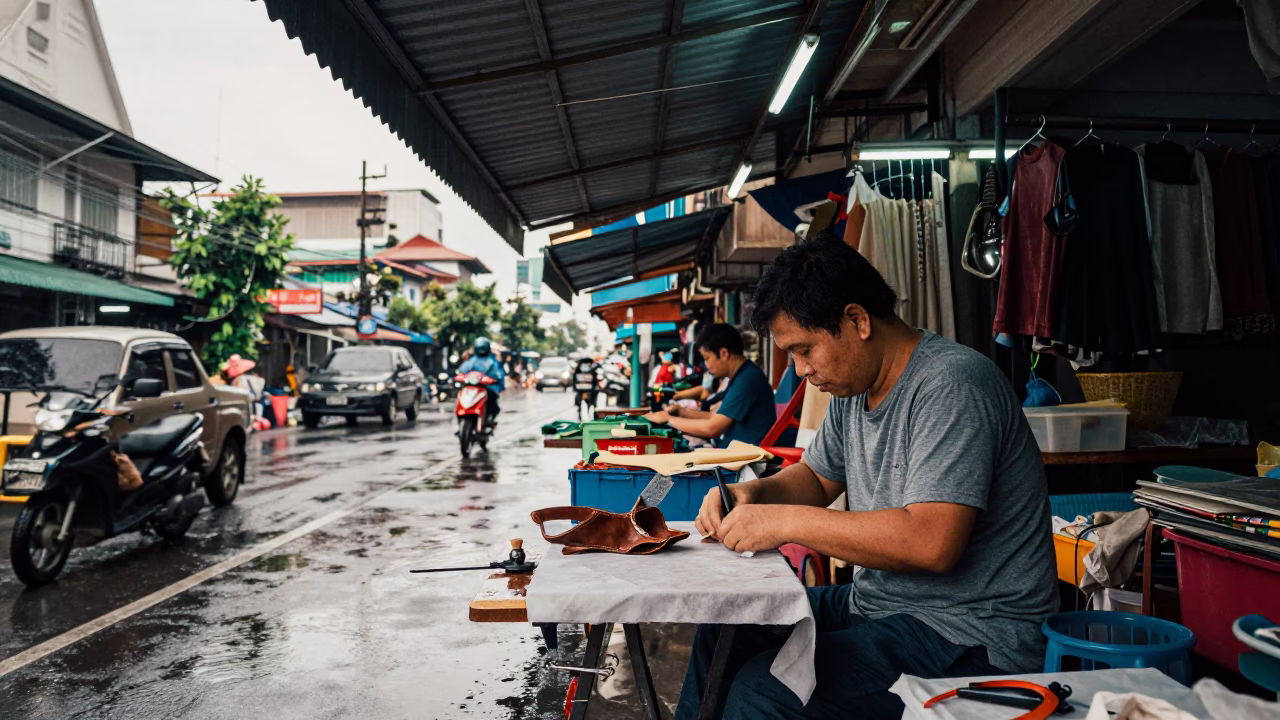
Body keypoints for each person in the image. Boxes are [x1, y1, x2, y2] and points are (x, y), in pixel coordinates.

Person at [675, 235, 1057, 719]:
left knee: (765, 691)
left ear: (857, 321)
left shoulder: (953, 386)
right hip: (881, 605)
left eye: (804, 349)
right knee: (728, 629)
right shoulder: (854, 392)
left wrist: (782, 522)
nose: (800, 370)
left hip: (972, 634)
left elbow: (931, 543)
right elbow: (815, 479)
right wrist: (748, 493)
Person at [643, 324, 775, 447]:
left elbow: (712, 428)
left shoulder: (747, 379)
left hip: (749, 464)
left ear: (724, 353)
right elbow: (715, 416)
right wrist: (682, 412)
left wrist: (667, 420)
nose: (707, 365)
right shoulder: (740, 376)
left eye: (707, 358)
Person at [457, 337, 505, 423]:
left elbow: (499, 374)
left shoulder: (492, 361)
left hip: (488, 388)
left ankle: (489, 421)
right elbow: (462, 371)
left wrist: (495, 380)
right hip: (471, 388)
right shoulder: (471, 360)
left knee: (492, 402)